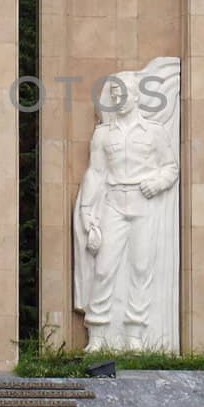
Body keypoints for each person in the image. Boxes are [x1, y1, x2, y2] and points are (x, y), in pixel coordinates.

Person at [73, 58, 181, 352]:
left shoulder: (155, 132)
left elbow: (171, 168)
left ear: (136, 96)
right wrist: (87, 215)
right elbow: (95, 174)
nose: (118, 99)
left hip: (143, 205)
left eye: (123, 94)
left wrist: (157, 182)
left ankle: (134, 334)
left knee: (141, 268)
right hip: (113, 205)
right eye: (114, 94)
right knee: (105, 268)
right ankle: (98, 334)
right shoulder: (103, 134)